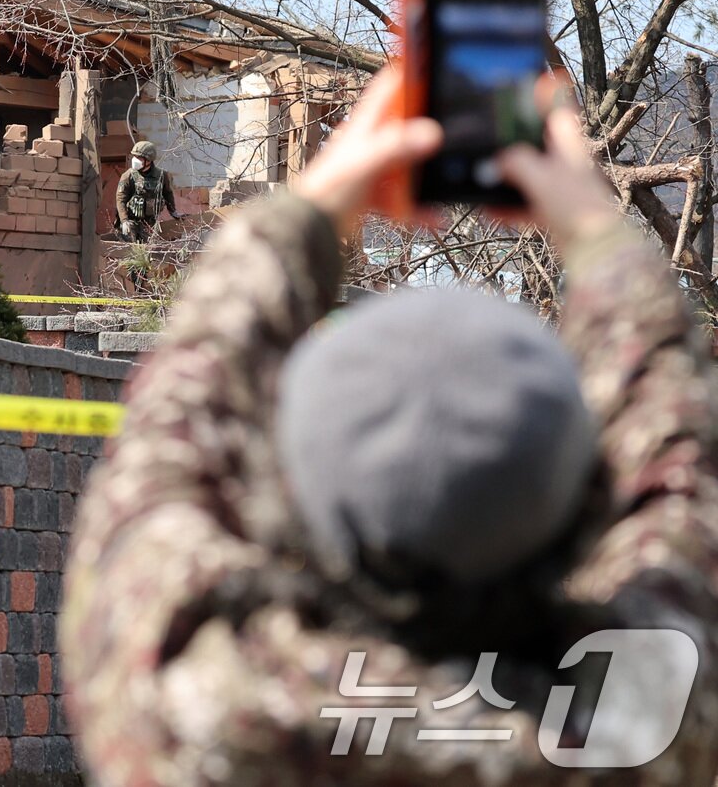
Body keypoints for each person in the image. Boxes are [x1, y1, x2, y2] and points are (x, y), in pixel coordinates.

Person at [61, 67, 718, 786]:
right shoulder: (646, 716)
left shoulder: (202, 710)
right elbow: (675, 458)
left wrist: (319, 196)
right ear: (585, 500)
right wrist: (591, 220)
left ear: (283, 491)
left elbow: (175, 419)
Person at [116, 140, 181, 242]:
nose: (135, 160)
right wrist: (124, 220)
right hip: (131, 220)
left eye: (139, 157)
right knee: (128, 246)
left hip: (150, 222)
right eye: (134, 156)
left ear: (149, 160)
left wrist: (173, 211)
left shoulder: (161, 176)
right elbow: (120, 199)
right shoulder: (128, 176)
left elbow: (168, 194)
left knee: (151, 250)